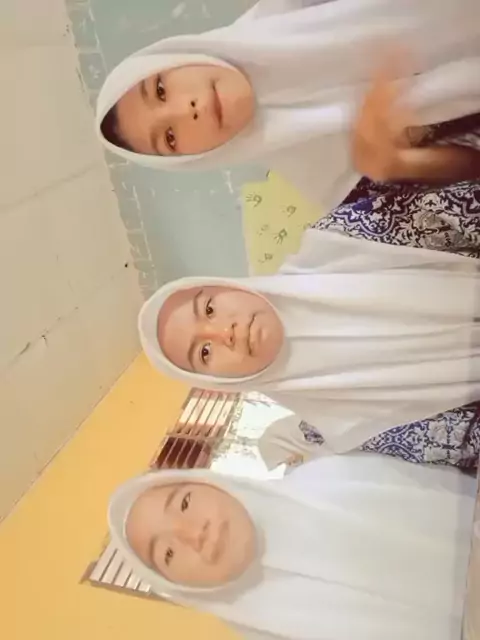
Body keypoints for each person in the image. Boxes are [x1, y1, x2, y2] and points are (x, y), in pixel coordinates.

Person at [96, 0, 480, 210]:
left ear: (174, 56)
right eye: (170, 138)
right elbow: (470, 180)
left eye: (161, 89)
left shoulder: (291, 8)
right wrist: (397, 164)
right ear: (191, 160)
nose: (187, 110)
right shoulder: (329, 185)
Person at [138, 229, 480, 455]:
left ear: (225, 285)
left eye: (209, 309)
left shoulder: (343, 239)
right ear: (218, 382)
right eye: (204, 352)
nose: (223, 333)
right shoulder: (346, 429)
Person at [109, 454, 476, 639]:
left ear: (210, 483)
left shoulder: (334, 477)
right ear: (178, 588)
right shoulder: (272, 633)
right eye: (168, 554)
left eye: (185, 503)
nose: (193, 534)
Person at [258, 408, 480, 473]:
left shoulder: (311, 429)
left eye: (283, 458)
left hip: (402, 431)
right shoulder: (310, 440)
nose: (290, 461)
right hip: (403, 441)